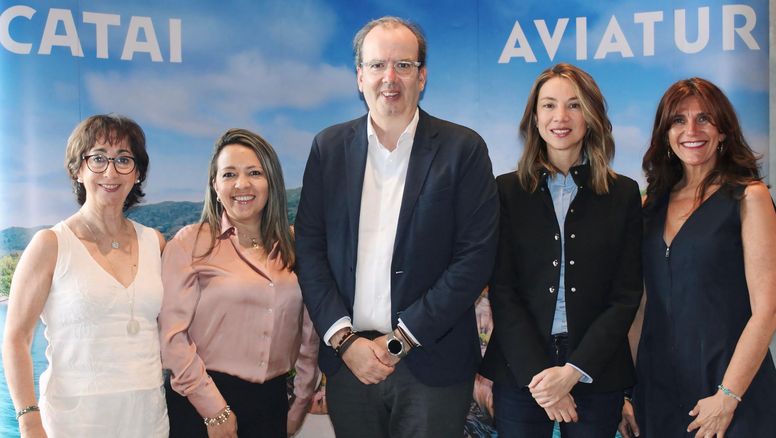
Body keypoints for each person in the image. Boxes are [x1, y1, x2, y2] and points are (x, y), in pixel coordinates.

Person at [294, 16, 499, 438]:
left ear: (422, 76)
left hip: (432, 365)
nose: (390, 78)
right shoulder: (328, 148)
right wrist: (344, 340)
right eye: (377, 65)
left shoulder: (464, 150)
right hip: (350, 363)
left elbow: (475, 257)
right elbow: (310, 249)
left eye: (403, 65)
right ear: (359, 76)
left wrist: (401, 340)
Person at [479, 63, 643, 437]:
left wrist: (573, 372)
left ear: (591, 116)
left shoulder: (623, 194)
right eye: (549, 105)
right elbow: (502, 290)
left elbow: (625, 296)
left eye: (574, 105)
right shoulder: (505, 191)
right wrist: (542, 379)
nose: (561, 117)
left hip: (597, 370)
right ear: (534, 118)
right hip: (521, 369)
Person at [618, 78, 776, 437]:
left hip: (731, 394)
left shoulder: (749, 198)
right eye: (678, 120)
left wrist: (728, 396)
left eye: (704, 118)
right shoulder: (649, 206)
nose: (691, 130)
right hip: (658, 394)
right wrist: (628, 393)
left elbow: (766, 309)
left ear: (723, 131)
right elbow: (641, 307)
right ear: (665, 134)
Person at [2, 114, 169, 437]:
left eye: (123, 159)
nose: (110, 171)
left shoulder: (155, 242)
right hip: (73, 422)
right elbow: (16, 339)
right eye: (98, 158)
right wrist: (29, 420)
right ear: (77, 170)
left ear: (138, 174)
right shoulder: (50, 245)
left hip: (148, 418)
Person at [159, 128, 319, 438]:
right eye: (229, 174)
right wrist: (214, 410)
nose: (242, 184)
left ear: (271, 182)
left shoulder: (295, 246)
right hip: (200, 405)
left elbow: (309, 337)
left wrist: (299, 404)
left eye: (254, 173)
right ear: (214, 185)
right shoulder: (190, 243)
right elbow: (171, 338)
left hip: (272, 405)